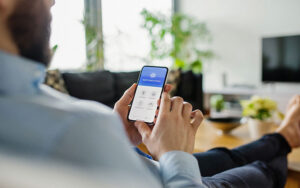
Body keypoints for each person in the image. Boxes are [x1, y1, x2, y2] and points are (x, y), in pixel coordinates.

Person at [0, 0, 299, 187]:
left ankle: (284, 135)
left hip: (148, 165)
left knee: (224, 155)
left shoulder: (36, 109)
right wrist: (176, 154)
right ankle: (286, 139)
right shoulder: (76, 127)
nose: (52, 3)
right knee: (263, 168)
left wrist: (116, 136)